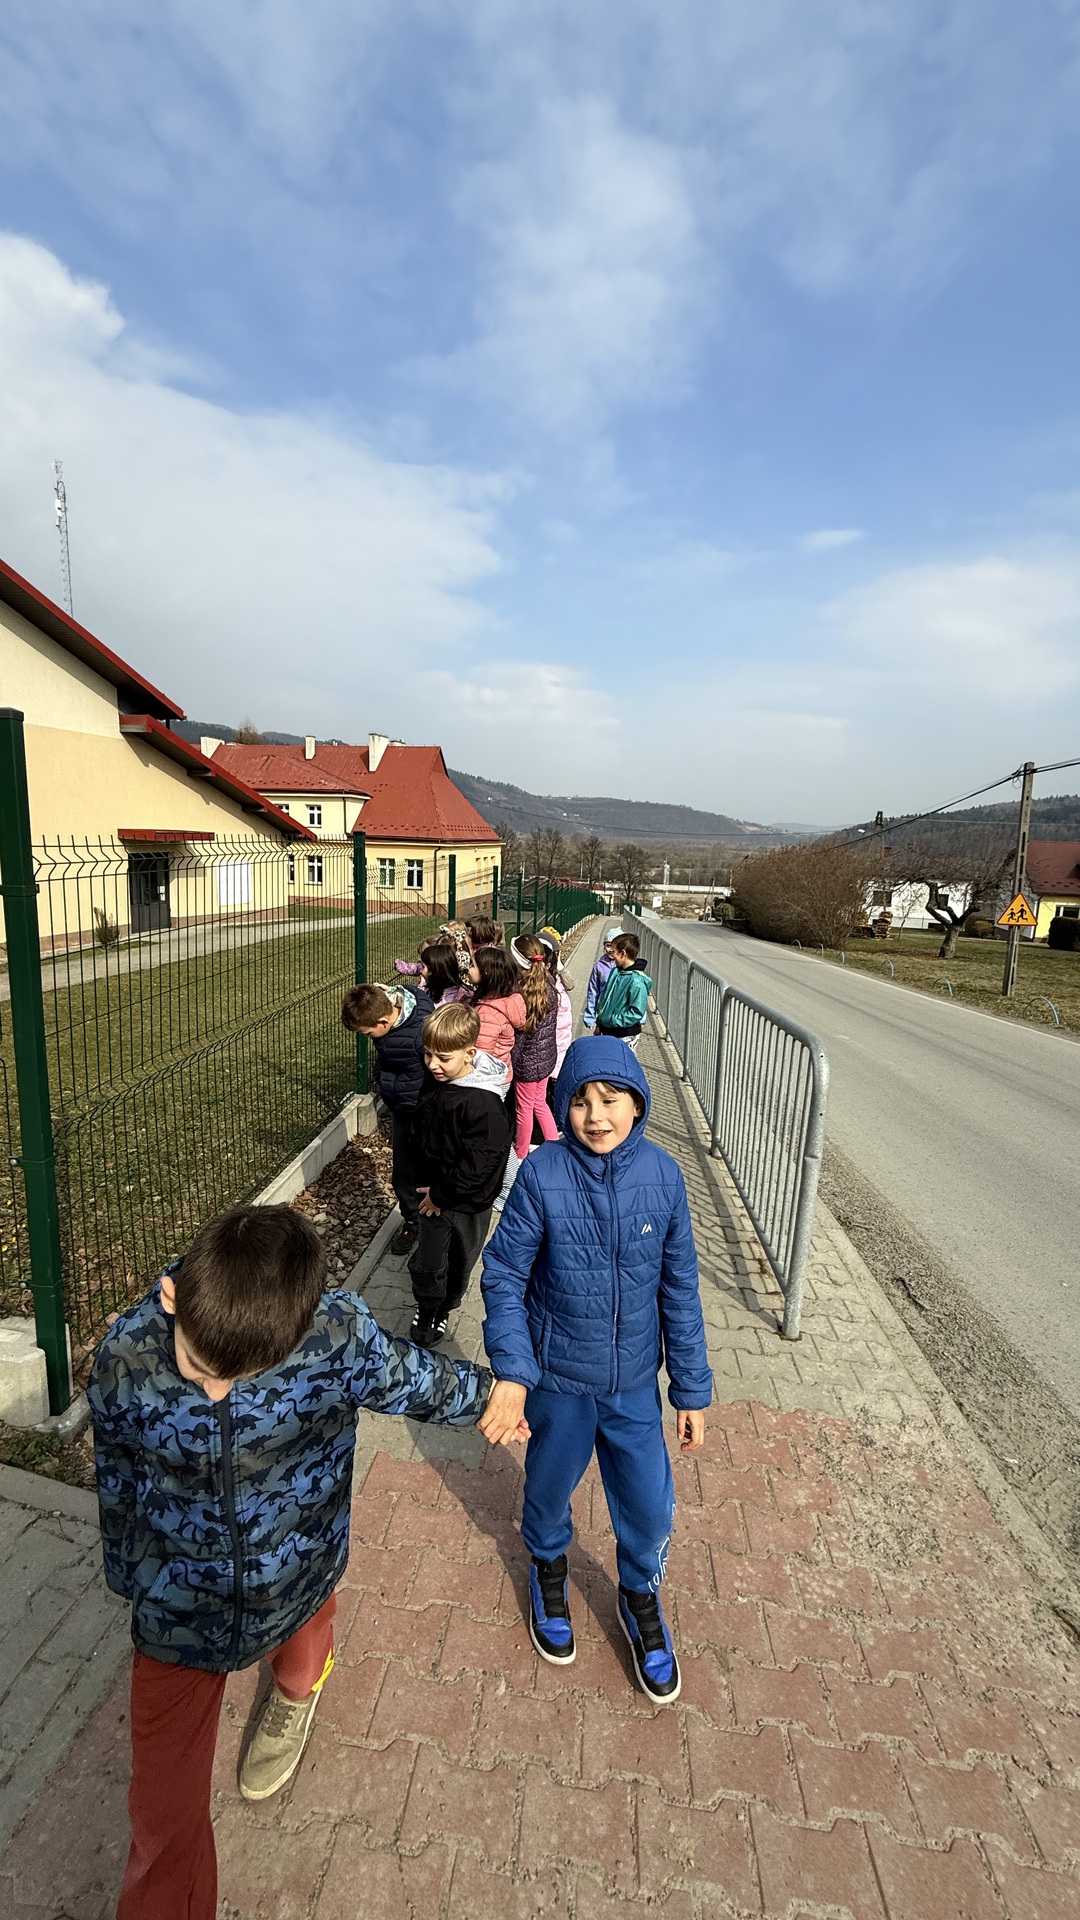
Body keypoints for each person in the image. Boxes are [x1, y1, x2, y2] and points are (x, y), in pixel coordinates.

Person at [88, 1203, 491, 1920]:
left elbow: (422, 1384)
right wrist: (126, 1569)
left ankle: (299, 1693)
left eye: (236, 1377)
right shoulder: (128, 1353)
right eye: (197, 1366)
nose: (213, 1391)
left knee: (303, 1649)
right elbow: (116, 1470)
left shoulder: (336, 1336)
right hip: (179, 1610)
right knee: (161, 1819)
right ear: (173, 1298)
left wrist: (505, 1396)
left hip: (298, 1567)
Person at [478, 1036, 712, 1705]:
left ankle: (639, 1595)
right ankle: (548, 1566)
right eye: (579, 1101)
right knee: (548, 1490)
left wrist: (690, 1390)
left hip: (633, 1384)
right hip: (558, 1379)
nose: (595, 1115)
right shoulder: (542, 1174)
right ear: (562, 1107)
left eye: (610, 1100)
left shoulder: (664, 1176)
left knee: (649, 1505)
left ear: (637, 1104)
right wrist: (513, 1371)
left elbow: (680, 1289)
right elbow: (503, 1274)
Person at [406, 1003, 512, 1345]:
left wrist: (441, 1194)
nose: (432, 1064)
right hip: (431, 1193)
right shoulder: (438, 1079)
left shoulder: (485, 1105)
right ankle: (427, 1305)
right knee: (429, 1261)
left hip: (466, 1203)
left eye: (443, 1058)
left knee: (459, 1262)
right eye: (428, 1054)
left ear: (470, 1053)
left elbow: (480, 1165)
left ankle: (445, 1306)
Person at [341, 980, 433, 1256]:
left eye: (368, 1033)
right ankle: (412, 1220)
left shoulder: (420, 1034)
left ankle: (434, 1222)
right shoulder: (392, 1008)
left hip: (423, 1111)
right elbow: (409, 991)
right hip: (401, 1108)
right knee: (403, 1172)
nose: (369, 1037)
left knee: (427, 1169)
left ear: (383, 1021)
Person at [509, 933, 560, 1160]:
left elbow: (520, 1038)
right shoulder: (549, 983)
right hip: (546, 1058)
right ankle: (554, 1145)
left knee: (523, 1110)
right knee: (540, 1103)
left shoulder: (522, 993)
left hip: (527, 1063)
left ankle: (520, 1153)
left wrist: (511, 1063)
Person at [469, 944, 527, 1075]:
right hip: (502, 1071)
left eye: (472, 965)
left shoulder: (487, 1015)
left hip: (489, 1077)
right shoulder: (505, 1000)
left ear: (486, 973)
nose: (468, 968)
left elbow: (481, 1056)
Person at [595, 931, 651, 1054]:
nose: (611, 954)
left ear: (623, 953)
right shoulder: (616, 972)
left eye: (613, 951)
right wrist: (600, 1023)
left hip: (625, 1034)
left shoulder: (636, 981)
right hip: (607, 1030)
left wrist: (612, 1020)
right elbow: (605, 998)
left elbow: (636, 1012)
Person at [538, 928, 574, 1079]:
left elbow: (570, 984)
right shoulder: (543, 981)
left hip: (559, 1037)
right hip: (550, 1040)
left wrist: (559, 966)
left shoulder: (557, 976)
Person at [583, 926, 623, 1028]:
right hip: (604, 1013)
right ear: (604, 946)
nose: (611, 950)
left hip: (621, 1015)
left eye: (615, 946)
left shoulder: (626, 966)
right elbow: (593, 992)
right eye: (608, 946)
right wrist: (590, 1017)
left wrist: (640, 1018)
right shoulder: (599, 967)